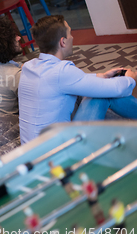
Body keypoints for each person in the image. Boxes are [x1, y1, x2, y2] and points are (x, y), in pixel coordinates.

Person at [18, 15, 137, 143]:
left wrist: (101, 76)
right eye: (70, 33)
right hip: (59, 152)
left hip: (31, 151)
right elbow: (116, 89)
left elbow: (70, 81)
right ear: (63, 42)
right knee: (102, 95)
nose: (73, 37)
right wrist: (131, 79)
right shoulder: (62, 71)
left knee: (97, 89)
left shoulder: (29, 67)